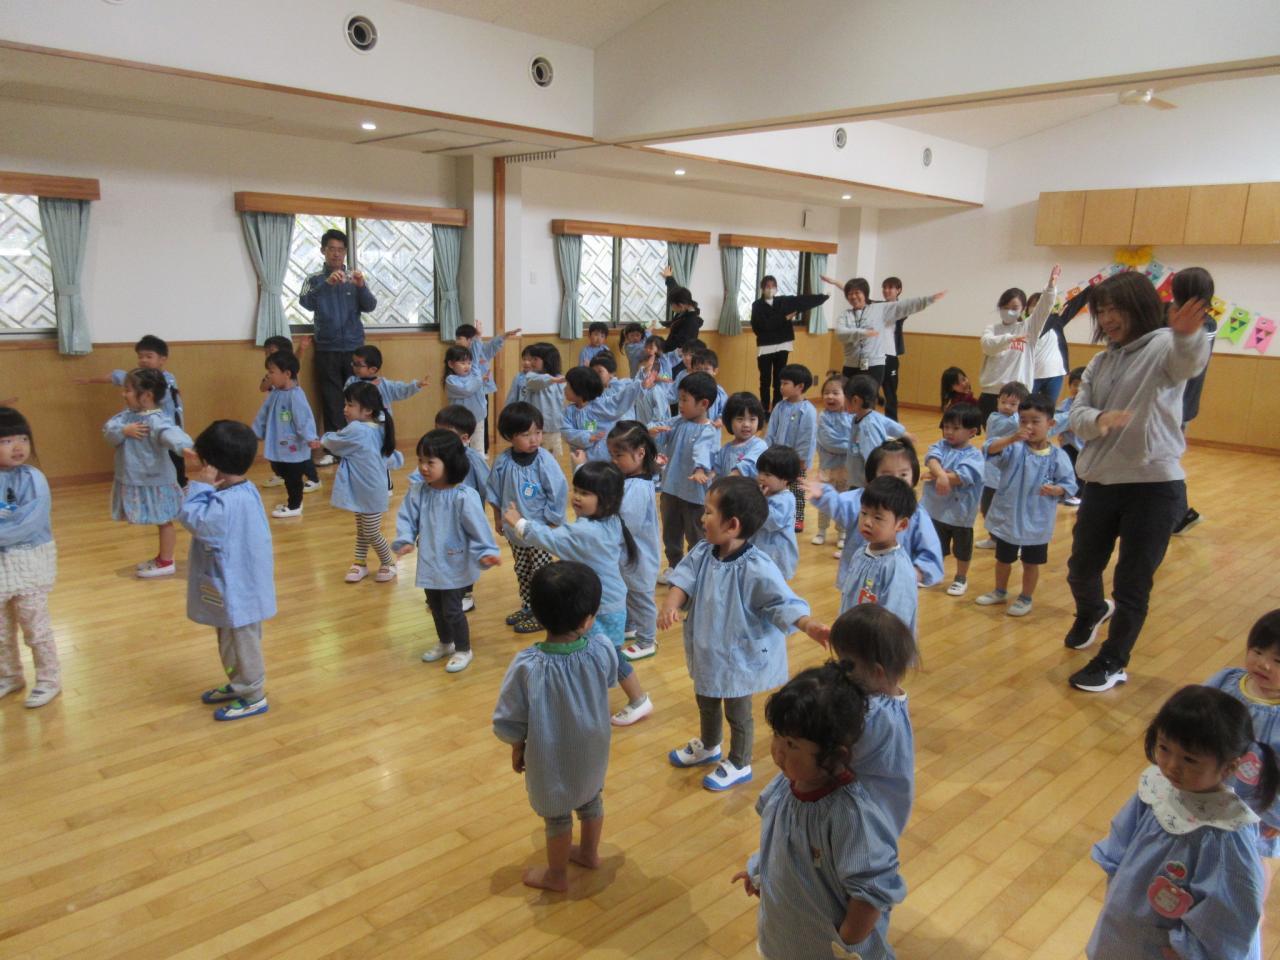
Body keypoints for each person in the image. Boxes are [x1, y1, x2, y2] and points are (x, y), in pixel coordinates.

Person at [1063, 272, 1210, 693]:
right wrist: (1099, 419)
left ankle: (1113, 660)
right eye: (1101, 310)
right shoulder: (1101, 362)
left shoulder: (1165, 345)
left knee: (1132, 582)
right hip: (1102, 481)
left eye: (1116, 309)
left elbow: (1187, 363)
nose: (1107, 318)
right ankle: (1092, 610)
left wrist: (1187, 336)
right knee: (1081, 567)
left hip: (1154, 484)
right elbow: (1077, 415)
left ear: (1140, 308)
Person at [661, 477, 828, 791]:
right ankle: (710, 744)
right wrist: (671, 604)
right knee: (706, 699)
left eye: (709, 512)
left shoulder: (756, 566)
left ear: (732, 524)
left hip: (738, 656)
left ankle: (739, 761)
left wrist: (807, 624)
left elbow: (781, 602)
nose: (702, 518)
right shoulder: (703, 551)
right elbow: (683, 578)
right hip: (707, 649)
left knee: (738, 712)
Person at [734, 662, 905, 959]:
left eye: (791, 744)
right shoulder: (786, 785)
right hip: (784, 938)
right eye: (777, 735)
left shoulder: (849, 816)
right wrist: (761, 869)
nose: (777, 751)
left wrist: (845, 941)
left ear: (834, 755)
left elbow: (873, 890)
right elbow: (779, 838)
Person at [1086, 685, 1272, 959]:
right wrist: (1117, 883)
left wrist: (1192, 952)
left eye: (1190, 759)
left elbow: (1230, 912)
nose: (1172, 765)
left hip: (1173, 947)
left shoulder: (1227, 830)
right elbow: (1121, 838)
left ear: (1229, 767)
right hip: (1127, 920)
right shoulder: (1157, 786)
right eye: (1164, 748)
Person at [492, 561, 618, 893]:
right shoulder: (601, 648)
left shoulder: (527, 665)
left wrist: (517, 744)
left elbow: (510, 716)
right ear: (587, 619)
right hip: (592, 746)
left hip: (551, 753)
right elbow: (609, 679)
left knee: (558, 815)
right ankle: (589, 853)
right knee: (591, 798)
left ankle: (557, 876)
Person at [503, 461, 653, 728]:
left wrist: (520, 523)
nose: (576, 497)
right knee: (600, 655)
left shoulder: (588, 531)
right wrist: (581, 463)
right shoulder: (608, 519)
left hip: (601, 608)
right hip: (605, 603)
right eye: (576, 490)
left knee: (607, 658)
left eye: (585, 493)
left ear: (606, 500)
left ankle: (638, 700)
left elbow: (553, 539)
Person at [182, 420, 276, 721]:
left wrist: (200, 487)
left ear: (213, 466)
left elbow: (194, 520)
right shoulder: (242, 491)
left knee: (242, 644)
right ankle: (240, 683)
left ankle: (254, 695)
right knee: (229, 640)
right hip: (235, 585)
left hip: (239, 590)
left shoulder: (227, 503)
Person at [393, 429, 501, 674]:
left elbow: (478, 527)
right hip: (430, 561)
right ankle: (445, 642)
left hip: (454, 563)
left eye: (430, 462)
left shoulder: (464, 496)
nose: (423, 467)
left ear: (450, 463)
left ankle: (463, 649)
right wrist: (405, 539)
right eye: (420, 460)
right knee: (435, 606)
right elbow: (407, 518)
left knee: (452, 610)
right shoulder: (418, 492)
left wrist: (486, 550)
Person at [974, 393, 1077, 618]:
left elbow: (1069, 484)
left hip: (1037, 521)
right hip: (1009, 517)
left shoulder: (1057, 456)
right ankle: (999, 591)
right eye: (1023, 421)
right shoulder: (1014, 448)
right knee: (1003, 559)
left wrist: (1058, 490)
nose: (1028, 426)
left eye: (1035, 421)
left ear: (1051, 424)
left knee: (1031, 562)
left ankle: (1025, 597)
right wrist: (1011, 438)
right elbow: (989, 448)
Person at [828, 604, 919, 838]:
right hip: (880, 808)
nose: (840, 670)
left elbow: (835, 756)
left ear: (877, 672)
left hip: (864, 816)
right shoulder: (891, 699)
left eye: (846, 664)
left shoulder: (873, 714)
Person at [809, 439, 945, 583]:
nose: (895, 480)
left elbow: (931, 553)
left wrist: (915, 573)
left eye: (903, 475)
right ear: (872, 477)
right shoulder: (861, 500)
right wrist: (823, 494)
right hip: (856, 582)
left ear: (913, 477)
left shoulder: (916, 515)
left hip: (894, 587)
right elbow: (840, 505)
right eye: (887, 474)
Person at [1204, 610, 1280, 859]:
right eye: (1257, 651)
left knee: (1250, 856)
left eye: (1278, 661)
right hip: (1208, 786)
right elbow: (1192, 716)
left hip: (1258, 807)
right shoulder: (1226, 681)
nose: (1263, 664)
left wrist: (1277, 817)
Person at [104, 368, 193, 579]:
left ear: (146, 396)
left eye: (128, 390)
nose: (123, 394)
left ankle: (166, 561)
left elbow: (169, 433)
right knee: (161, 520)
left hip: (156, 480)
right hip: (137, 478)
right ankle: (162, 558)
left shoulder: (156, 419)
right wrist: (123, 431)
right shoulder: (126, 417)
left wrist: (184, 447)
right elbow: (108, 431)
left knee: (164, 520)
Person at [486, 402, 567, 634]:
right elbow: (494, 492)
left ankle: (543, 614)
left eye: (538, 432)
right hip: (515, 532)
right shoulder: (503, 462)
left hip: (539, 530)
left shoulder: (544, 461)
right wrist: (498, 518)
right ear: (510, 436)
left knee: (541, 574)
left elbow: (557, 491)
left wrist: (552, 522)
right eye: (526, 434)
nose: (534, 439)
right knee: (522, 570)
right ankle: (528, 606)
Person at [0, 407, 60, 708]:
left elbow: (29, 523)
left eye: (23, 438)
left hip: (28, 562)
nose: (18, 446)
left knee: (35, 625)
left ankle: (49, 679)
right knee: (1, 631)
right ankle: (10, 676)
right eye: (7, 440)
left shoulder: (33, 478)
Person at [75, 334, 188, 488]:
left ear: (162, 359)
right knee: (150, 460)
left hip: (167, 428)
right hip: (146, 434)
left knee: (175, 460)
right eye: (140, 357)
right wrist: (90, 380)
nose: (144, 360)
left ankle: (179, 486)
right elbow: (115, 376)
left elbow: (167, 396)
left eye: (149, 356)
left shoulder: (168, 379)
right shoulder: (135, 380)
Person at [298, 228, 377, 450]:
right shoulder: (314, 279)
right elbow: (305, 302)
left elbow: (370, 305)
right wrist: (327, 284)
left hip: (354, 349)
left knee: (358, 398)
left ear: (345, 253)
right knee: (332, 400)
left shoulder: (354, 277)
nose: (336, 254)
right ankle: (335, 449)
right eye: (332, 249)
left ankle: (360, 444)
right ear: (323, 250)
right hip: (327, 349)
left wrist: (361, 286)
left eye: (341, 250)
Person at [320, 381, 402, 585]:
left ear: (367, 410)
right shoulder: (378, 425)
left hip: (370, 490)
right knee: (363, 529)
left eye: (350, 405)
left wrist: (323, 438)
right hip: (364, 488)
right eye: (345, 404)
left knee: (371, 531)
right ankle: (359, 562)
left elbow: (333, 442)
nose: (345, 409)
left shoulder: (357, 429)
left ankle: (388, 562)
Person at [652, 372, 719, 581]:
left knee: (696, 534)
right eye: (679, 399)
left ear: (703, 404)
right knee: (670, 532)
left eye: (684, 400)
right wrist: (653, 432)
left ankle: (697, 570)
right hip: (671, 488)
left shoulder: (709, 431)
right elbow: (661, 435)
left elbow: (703, 450)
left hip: (694, 494)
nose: (679, 404)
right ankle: (674, 565)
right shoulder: (677, 422)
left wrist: (700, 469)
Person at [824, 274, 944, 386]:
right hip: (851, 364)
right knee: (848, 396)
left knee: (873, 395)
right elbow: (841, 334)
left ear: (865, 294)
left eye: (857, 293)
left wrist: (928, 300)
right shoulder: (845, 315)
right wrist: (863, 333)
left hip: (876, 363)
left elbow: (906, 305)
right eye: (850, 294)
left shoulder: (881, 309)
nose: (853, 296)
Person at [607, 421, 662, 665]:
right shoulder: (631, 479)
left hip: (639, 557)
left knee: (641, 598)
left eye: (618, 455)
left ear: (640, 454)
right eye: (611, 455)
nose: (614, 461)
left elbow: (627, 522)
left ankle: (647, 640)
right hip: (629, 555)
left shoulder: (638, 486)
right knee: (629, 593)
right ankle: (630, 627)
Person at [429, 404, 490, 613]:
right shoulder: (435, 457)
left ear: (464, 438)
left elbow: (488, 486)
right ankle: (445, 590)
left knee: (464, 556)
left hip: (465, 521)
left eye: (445, 433)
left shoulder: (472, 459)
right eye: (436, 431)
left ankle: (466, 594)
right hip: (440, 519)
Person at [976, 266, 1059, 418]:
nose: (1009, 311)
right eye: (1005, 307)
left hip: (1018, 395)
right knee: (992, 431)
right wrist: (1010, 338)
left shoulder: (1028, 328)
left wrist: (1050, 287)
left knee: (1017, 432)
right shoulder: (992, 329)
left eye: (1014, 307)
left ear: (1022, 309)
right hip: (991, 393)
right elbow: (988, 346)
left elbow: (1043, 308)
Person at [1170, 266, 1218, 535]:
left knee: (1167, 460)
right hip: (1176, 404)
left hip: (1179, 404)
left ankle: (1179, 515)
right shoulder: (1173, 318)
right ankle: (1178, 514)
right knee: (1165, 459)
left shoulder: (1205, 324)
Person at [838, 476, 919, 631]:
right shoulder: (860, 553)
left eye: (877, 517)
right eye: (864, 513)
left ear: (901, 525)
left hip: (879, 642)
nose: (867, 522)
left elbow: (896, 621)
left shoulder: (897, 568)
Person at [922, 403, 985, 597]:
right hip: (936, 510)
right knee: (936, 544)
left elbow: (961, 477)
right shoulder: (940, 446)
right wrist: (941, 475)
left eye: (956, 428)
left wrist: (936, 475)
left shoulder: (975, 456)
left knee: (962, 550)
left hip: (960, 515)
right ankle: (934, 572)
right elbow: (932, 459)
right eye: (946, 427)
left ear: (972, 432)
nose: (949, 432)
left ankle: (960, 578)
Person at [251, 351, 320, 519]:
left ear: (287, 373)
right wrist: (256, 432)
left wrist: (310, 437)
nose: (269, 375)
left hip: (293, 446)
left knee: (292, 477)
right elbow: (263, 414)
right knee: (279, 469)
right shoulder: (275, 393)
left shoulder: (296, 395)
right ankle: (294, 502)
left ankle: (295, 505)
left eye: (272, 372)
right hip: (277, 443)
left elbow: (304, 419)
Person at [749, 273, 829, 413]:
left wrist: (822, 297)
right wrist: (784, 318)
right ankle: (764, 409)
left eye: (773, 286)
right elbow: (761, 326)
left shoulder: (783, 301)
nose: (770, 289)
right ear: (762, 288)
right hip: (765, 347)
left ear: (776, 288)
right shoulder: (757, 305)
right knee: (765, 380)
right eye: (767, 286)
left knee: (779, 379)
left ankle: (777, 409)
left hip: (783, 345)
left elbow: (802, 301)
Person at [259, 337, 320, 493]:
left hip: (290, 419)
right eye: (267, 353)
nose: (268, 355)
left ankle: (313, 478)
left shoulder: (293, 388)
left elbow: (303, 418)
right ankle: (281, 475)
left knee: (299, 451)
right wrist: (269, 378)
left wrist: (301, 348)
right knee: (276, 448)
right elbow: (263, 388)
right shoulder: (273, 376)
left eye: (272, 352)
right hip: (279, 417)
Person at [975, 381, 1030, 549]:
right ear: (997, 401)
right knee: (987, 507)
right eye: (1003, 402)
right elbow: (1010, 426)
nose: (1006, 406)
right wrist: (1026, 418)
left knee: (1009, 509)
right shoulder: (994, 418)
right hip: (991, 475)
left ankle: (1013, 542)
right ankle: (995, 538)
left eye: (1013, 404)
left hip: (1011, 475)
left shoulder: (1021, 420)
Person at [563, 365, 654, 463]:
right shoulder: (568, 412)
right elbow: (566, 431)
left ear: (579, 390)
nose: (564, 389)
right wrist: (587, 437)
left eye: (568, 386)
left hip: (608, 459)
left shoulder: (600, 405)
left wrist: (640, 386)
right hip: (585, 460)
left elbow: (618, 401)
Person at [764, 364, 817, 533]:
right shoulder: (779, 406)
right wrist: (767, 451)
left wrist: (801, 460)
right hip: (776, 458)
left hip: (796, 462)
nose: (781, 387)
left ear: (800, 386)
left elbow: (806, 439)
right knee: (776, 487)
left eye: (785, 383)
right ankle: (777, 513)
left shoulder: (807, 410)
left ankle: (798, 517)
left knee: (797, 490)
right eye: (781, 383)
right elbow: (771, 430)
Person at [844, 374, 911, 492]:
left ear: (855, 400)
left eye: (845, 398)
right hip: (861, 480)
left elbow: (872, 457)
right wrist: (904, 434)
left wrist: (873, 482)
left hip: (864, 484)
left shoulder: (866, 427)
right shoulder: (870, 416)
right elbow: (890, 425)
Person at [1029, 285, 1090, 405]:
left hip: (1055, 374)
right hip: (1031, 375)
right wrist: (1054, 315)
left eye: (1041, 304)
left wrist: (1091, 288)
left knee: (1049, 408)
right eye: (1034, 305)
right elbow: (1041, 330)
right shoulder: (1026, 326)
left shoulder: (1056, 322)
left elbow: (1074, 305)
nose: (1037, 308)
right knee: (1027, 406)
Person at [749, 446, 801, 580]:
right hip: (760, 548)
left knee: (772, 583)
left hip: (776, 554)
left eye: (767, 475)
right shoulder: (766, 493)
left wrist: (759, 500)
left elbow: (773, 522)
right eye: (760, 472)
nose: (761, 477)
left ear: (785, 479)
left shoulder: (786, 499)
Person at [813, 373, 852, 548]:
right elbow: (830, 442)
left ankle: (842, 533)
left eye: (835, 393)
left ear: (847, 396)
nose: (830, 396)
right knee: (824, 500)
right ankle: (821, 531)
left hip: (847, 470)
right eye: (826, 393)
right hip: (827, 469)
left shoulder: (853, 417)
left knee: (843, 501)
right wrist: (853, 445)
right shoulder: (823, 417)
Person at [344, 344, 429, 415]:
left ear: (373, 369)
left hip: (382, 423)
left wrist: (416, 385)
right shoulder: (351, 381)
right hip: (359, 423)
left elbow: (402, 390)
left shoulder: (384, 384)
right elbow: (348, 396)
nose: (354, 366)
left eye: (358, 364)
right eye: (353, 363)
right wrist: (368, 387)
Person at [443, 346, 491, 454]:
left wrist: (480, 380)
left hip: (477, 417)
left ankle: (478, 463)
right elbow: (467, 389)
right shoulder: (451, 380)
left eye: (469, 363)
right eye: (463, 363)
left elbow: (476, 388)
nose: (467, 366)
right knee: (460, 447)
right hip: (459, 420)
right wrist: (479, 380)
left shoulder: (474, 377)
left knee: (478, 448)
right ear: (451, 364)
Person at [1049, 367, 1085, 507]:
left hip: (1083, 446)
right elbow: (1057, 421)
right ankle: (1067, 491)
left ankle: (1078, 494)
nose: (1078, 389)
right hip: (1068, 444)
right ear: (1069, 386)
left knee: (1080, 470)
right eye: (1075, 385)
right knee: (1067, 467)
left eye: (1082, 385)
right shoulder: (1066, 403)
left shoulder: (1089, 405)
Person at [523, 343, 567, 459]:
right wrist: (554, 380)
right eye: (531, 359)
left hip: (553, 429)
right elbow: (537, 381)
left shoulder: (560, 380)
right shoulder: (531, 376)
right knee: (533, 458)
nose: (531, 362)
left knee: (551, 459)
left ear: (547, 361)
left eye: (535, 359)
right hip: (534, 428)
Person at [714, 392, 768, 479]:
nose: (746, 424)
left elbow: (746, 466)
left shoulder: (760, 445)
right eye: (740, 419)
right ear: (729, 421)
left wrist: (726, 483)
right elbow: (716, 473)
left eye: (752, 419)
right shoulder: (725, 449)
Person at [660, 266, 703, 358]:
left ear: (681, 305)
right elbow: (675, 289)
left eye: (672, 305)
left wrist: (660, 347)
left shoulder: (690, 323)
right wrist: (669, 278)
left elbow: (676, 345)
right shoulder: (686, 309)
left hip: (678, 358)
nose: (671, 307)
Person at [878, 276, 906, 420]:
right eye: (884, 288)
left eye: (890, 288)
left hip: (890, 356)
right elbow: (859, 296)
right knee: (868, 388)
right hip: (874, 356)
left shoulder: (901, 307)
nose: (886, 290)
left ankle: (892, 423)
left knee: (890, 393)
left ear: (898, 290)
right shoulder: (877, 307)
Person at [689, 349, 728, 426]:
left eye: (706, 369)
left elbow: (726, 409)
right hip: (691, 428)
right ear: (692, 370)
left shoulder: (719, 391)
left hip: (712, 428)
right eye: (698, 369)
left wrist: (720, 420)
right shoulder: (689, 389)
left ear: (715, 371)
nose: (702, 373)